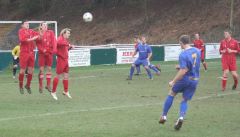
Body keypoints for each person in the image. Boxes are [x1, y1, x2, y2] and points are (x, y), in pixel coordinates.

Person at [159, 35, 201, 130]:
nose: (179, 45)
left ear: (181, 43)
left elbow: (183, 71)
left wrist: (173, 81)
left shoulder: (183, 54)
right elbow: (195, 64)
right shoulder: (197, 50)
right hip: (195, 80)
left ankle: (164, 116)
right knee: (184, 100)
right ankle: (181, 118)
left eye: (179, 43)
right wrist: (181, 67)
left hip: (185, 79)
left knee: (171, 93)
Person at [50, 28, 74, 100]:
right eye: (68, 33)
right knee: (58, 76)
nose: (69, 35)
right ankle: (53, 92)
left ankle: (66, 91)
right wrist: (69, 44)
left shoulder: (65, 40)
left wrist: (69, 48)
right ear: (63, 33)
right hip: (61, 60)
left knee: (66, 76)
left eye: (69, 33)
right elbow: (57, 44)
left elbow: (65, 49)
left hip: (66, 60)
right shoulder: (60, 39)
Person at [18, 21, 39, 94]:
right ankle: (20, 86)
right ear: (22, 25)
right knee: (22, 70)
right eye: (26, 24)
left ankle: (28, 85)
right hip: (24, 53)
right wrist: (32, 39)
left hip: (31, 52)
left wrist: (39, 34)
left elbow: (38, 35)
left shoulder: (31, 31)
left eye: (28, 24)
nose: (27, 25)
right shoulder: (21, 31)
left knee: (31, 70)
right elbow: (22, 40)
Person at [36, 22, 56, 93]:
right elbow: (38, 44)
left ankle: (48, 85)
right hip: (42, 54)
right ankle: (40, 85)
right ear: (41, 27)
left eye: (46, 25)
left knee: (49, 69)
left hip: (49, 53)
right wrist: (42, 50)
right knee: (41, 70)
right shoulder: (38, 34)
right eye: (44, 25)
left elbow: (54, 41)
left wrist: (54, 50)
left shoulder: (51, 32)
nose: (45, 26)